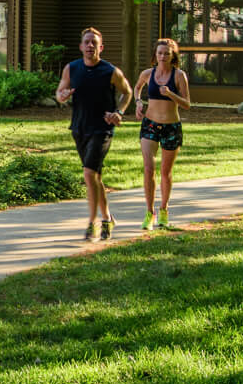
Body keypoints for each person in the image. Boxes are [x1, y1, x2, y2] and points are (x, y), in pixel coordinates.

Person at [56, 27, 132, 241]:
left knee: (89, 175)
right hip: (79, 128)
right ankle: (108, 218)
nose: (90, 46)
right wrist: (62, 95)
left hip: (102, 128)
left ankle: (93, 223)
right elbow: (60, 91)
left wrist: (119, 112)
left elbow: (127, 92)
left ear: (101, 47)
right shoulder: (71, 68)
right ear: (81, 46)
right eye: (87, 42)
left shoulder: (110, 71)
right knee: (95, 178)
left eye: (94, 43)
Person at [134, 36, 190, 230]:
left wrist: (171, 94)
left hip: (171, 127)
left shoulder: (179, 76)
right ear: (155, 55)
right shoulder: (147, 74)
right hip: (149, 125)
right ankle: (150, 212)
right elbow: (137, 88)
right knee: (149, 169)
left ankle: (164, 209)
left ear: (172, 55)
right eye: (159, 53)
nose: (163, 56)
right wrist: (138, 102)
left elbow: (187, 104)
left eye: (166, 53)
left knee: (165, 172)